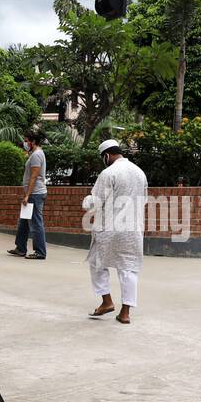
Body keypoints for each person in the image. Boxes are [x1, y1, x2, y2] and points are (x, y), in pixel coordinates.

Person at [84, 139, 148, 325]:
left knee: (96, 262)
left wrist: (86, 201)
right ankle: (125, 313)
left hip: (109, 228)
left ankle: (106, 301)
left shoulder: (108, 173)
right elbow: (143, 199)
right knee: (128, 268)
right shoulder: (139, 172)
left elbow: (95, 201)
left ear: (107, 155)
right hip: (133, 229)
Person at [8, 129, 48, 260]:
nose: (25, 143)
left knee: (36, 223)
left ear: (33, 142)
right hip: (32, 193)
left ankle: (40, 252)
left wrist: (27, 195)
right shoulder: (34, 154)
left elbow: (34, 176)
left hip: (35, 194)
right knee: (24, 221)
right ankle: (20, 248)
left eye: (26, 141)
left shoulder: (37, 155)